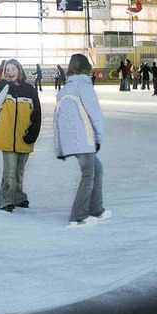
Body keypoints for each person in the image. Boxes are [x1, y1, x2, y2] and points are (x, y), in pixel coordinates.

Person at [54, 53, 110, 227]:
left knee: (97, 169)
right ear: (87, 68)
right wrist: (98, 138)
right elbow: (95, 114)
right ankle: (79, 215)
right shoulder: (85, 86)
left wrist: (60, 148)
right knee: (89, 174)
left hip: (70, 141)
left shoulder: (64, 90)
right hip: (84, 139)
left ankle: (96, 209)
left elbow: (56, 120)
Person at [0, 59, 41, 212]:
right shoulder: (5, 88)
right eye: (7, 69)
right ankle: (6, 199)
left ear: (19, 70)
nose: (10, 72)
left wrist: (33, 133)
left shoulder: (30, 90)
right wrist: (4, 84)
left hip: (24, 136)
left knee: (19, 171)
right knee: (10, 172)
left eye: (13, 69)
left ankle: (18, 197)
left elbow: (36, 113)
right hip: (7, 137)